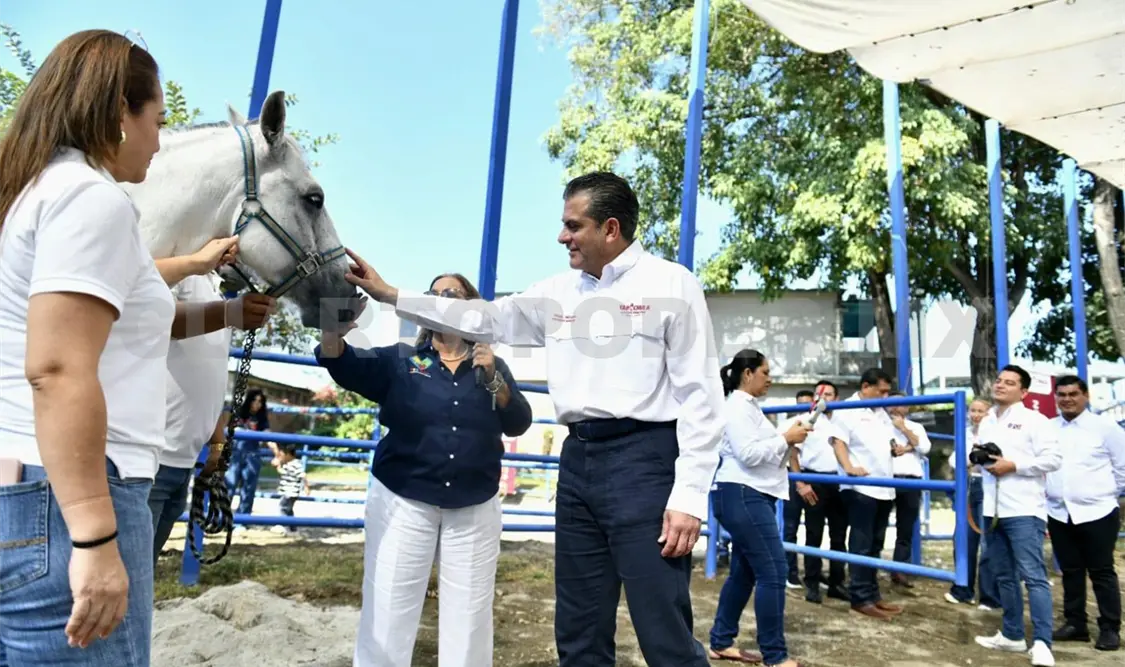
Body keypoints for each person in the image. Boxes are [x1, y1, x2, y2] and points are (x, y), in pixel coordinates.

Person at [344, 172, 727, 667]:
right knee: (579, 626)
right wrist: (392, 294)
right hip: (578, 462)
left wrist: (689, 495)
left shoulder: (671, 284)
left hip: (645, 461)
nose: (561, 236)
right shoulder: (555, 292)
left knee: (663, 628)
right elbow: (482, 318)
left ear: (610, 229)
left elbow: (702, 394)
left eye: (573, 225)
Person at [0, 29, 171, 666]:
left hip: (29, 489)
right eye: (157, 119)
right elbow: (58, 366)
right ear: (119, 115)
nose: (160, 140)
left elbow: (108, 330)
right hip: (72, 497)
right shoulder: (92, 199)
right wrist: (95, 536)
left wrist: (229, 312)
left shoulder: (30, 192)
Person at [315, 272, 533, 667]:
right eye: (432, 295)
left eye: (451, 294)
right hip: (403, 501)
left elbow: (518, 421)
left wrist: (495, 379)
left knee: (468, 623)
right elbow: (340, 360)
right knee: (388, 610)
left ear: (472, 306)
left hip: (474, 507)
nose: (439, 299)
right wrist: (334, 328)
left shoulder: (491, 364)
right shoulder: (400, 360)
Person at [148, 245, 277, 561]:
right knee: (126, 580)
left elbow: (208, 380)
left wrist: (217, 443)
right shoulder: (179, 272)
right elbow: (158, 321)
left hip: (182, 460)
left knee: (141, 573)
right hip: (150, 460)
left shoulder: (212, 287)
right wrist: (230, 313)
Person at [707, 349, 808, 667]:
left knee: (744, 572)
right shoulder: (737, 406)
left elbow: (759, 454)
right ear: (747, 373)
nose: (770, 378)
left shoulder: (748, 408)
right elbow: (749, 454)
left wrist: (788, 440)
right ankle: (775, 656)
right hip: (743, 494)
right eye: (765, 372)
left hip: (748, 495)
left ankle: (722, 641)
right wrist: (785, 438)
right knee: (774, 571)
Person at [973, 364, 1062, 667]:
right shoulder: (985, 421)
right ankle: (1011, 635)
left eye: (1009, 383)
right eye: (999, 380)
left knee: (1033, 577)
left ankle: (1042, 642)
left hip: (1024, 509)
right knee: (1003, 576)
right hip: (991, 508)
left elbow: (1052, 460)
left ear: (1023, 391)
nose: (1001, 386)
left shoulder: (1036, 420)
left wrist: (1014, 465)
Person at [1046, 375, 1125, 652]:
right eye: (1062, 394)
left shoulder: (1105, 427)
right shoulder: (1048, 428)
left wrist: (1103, 494)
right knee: (1070, 571)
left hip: (1098, 511)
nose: (1067, 399)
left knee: (1102, 571)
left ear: (1086, 396)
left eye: (1073, 394)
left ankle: (1109, 629)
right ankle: (1076, 624)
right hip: (1058, 513)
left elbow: (1123, 467)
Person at [831, 367, 904, 620]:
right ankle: (860, 598)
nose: (885, 397)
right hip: (860, 487)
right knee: (861, 544)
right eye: (881, 391)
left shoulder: (880, 412)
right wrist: (849, 468)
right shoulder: (847, 409)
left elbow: (885, 440)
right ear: (865, 387)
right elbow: (838, 441)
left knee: (875, 544)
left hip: (884, 487)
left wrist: (895, 448)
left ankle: (873, 595)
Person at [781, 380, 851, 604]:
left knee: (839, 536)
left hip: (839, 482)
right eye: (819, 395)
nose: (824, 398)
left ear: (836, 398)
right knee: (814, 534)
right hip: (814, 480)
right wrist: (801, 483)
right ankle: (812, 584)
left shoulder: (844, 421)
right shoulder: (807, 420)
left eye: (829, 394)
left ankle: (836, 583)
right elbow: (793, 452)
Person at [945, 398, 1002, 610]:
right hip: (970, 484)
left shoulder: (997, 431)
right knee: (964, 538)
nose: (976, 415)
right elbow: (954, 460)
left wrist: (972, 459)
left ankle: (989, 596)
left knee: (988, 541)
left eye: (981, 411)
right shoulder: (966, 432)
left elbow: (990, 458)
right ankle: (963, 589)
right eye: (973, 410)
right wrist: (974, 459)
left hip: (989, 485)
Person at [886, 392, 932, 588]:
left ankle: (899, 569)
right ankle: (869, 567)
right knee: (876, 526)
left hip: (911, 481)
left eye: (901, 404)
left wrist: (903, 429)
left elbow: (925, 448)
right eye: (893, 404)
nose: (897, 408)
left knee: (905, 528)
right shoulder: (879, 425)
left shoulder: (915, 427)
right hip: (886, 479)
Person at [781, 389, 815, 590]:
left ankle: (812, 574)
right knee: (791, 527)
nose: (803, 407)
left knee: (813, 529)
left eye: (807, 403)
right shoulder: (789, 425)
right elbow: (792, 452)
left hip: (813, 477)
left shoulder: (819, 425)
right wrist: (800, 481)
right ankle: (790, 573)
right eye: (800, 403)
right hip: (794, 479)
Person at [225, 388, 272, 517]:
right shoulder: (239, 413)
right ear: (249, 401)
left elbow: (268, 435)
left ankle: (243, 518)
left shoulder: (262, 418)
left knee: (248, 487)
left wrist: (277, 452)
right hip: (236, 453)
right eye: (254, 400)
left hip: (252, 454)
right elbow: (228, 431)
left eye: (260, 401)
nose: (257, 404)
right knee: (229, 484)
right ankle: (221, 516)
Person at [270, 442, 307, 536]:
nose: (280, 457)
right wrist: (277, 466)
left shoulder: (295, 464)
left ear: (288, 454)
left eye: (281, 454)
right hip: (288, 492)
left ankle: (284, 527)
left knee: (283, 508)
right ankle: (293, 529)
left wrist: (307, 487)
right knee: (289, 511)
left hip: (290, 492)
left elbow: (303, 475)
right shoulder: (288, 464)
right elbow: (283, 473)